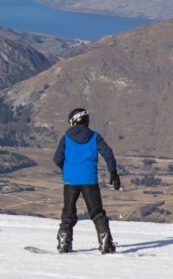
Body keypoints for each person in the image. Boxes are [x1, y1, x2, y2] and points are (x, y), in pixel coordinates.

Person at [53, 107, 120, 254]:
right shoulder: (95, 137)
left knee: (68, 212)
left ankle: (64, 241)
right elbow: (108, 154)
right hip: (89, 179)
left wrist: (68, 169)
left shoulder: (66, 138)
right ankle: (105, 242)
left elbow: (57, 159)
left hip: (70, 180)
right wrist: (113, 172)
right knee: (96, 213)